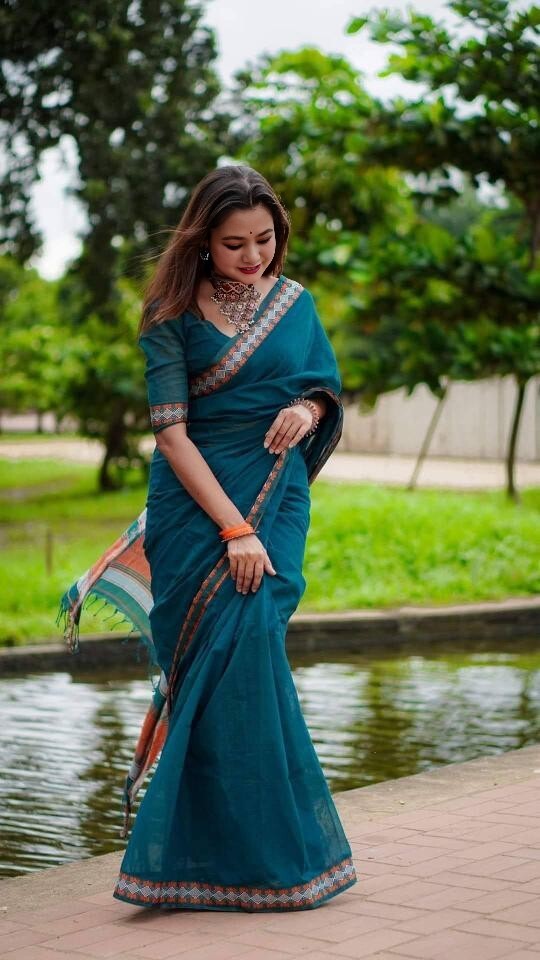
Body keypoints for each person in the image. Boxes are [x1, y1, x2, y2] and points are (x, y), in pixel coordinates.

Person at [58, 164, 357, 912]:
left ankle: (257, 858)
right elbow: (172, 436)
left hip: (276, 496)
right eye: (234, 244)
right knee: (216, 665)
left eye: (265, 239)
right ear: (202, 241)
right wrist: (232, 529)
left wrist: (309, 412)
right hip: (196, 509)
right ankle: (215, 859)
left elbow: (324, 386)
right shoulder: (169, 313)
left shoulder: (295, 303)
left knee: (252, 643)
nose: (254, 256)